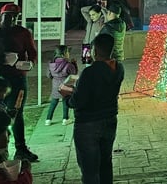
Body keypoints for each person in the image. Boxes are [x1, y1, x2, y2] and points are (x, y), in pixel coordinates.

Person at [65, 33, 125, 184]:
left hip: (88, 125)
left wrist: (68, 96)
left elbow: (79, 101)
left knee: (90, 169)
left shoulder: (89, 72)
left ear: (94, 51)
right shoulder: (119, 68)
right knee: (105, 163)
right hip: (110, 120)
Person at [0, 3, 38, 162]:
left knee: (17, 111)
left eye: (14, 16)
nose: (11, 19)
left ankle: (20, 148)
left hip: (18, 77)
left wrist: (30, 64)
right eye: (8, 16)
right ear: (1, 15)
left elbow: (32, 53)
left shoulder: (23, 33)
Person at [46, 45, 78, 126]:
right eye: (67, 52)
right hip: (65, 85)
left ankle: (48, 119)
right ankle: (65, 119)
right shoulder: (68, 64)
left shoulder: (51, 64)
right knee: (65, 101)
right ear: (64, 54)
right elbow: (73, 74)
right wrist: (74, 64)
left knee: (53, 102)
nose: (68, 53)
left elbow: (49, 75)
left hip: (55, 85)